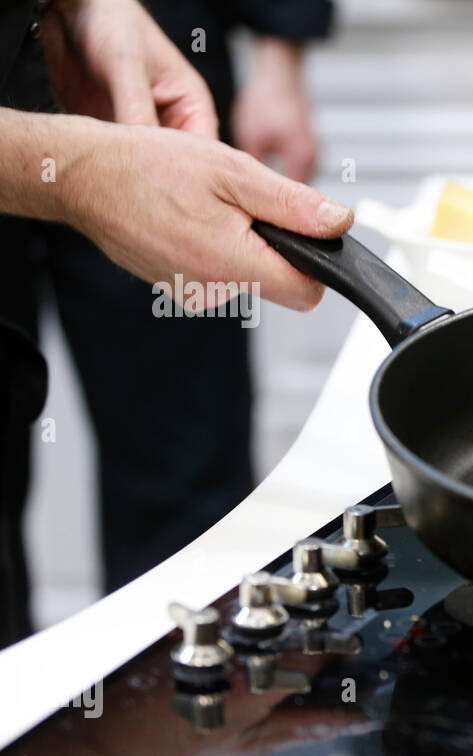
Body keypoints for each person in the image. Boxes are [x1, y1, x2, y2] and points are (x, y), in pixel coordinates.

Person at [0, 0, 351, 647]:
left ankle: (192, 726)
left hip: (145, 32)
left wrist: (279, 52)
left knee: (189, 500)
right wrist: (68, 172)